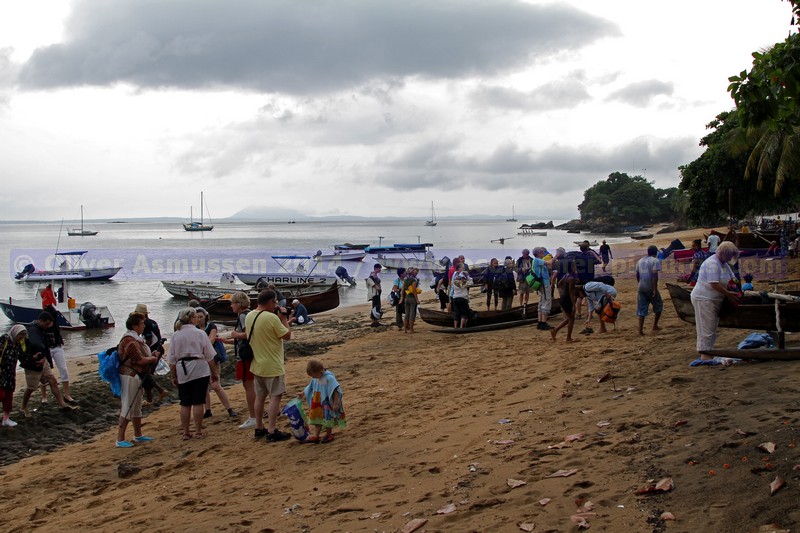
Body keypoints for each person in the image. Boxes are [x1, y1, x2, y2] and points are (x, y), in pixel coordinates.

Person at [246, 290, 292, 442]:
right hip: (272, 364)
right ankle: (272, 430)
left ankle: (259, 427)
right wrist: (284, 317)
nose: (276, 305)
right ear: (270, 302)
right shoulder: (271, 318)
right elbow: (287, 335)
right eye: (275, 302)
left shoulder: (249, 315)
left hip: (257, 363)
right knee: (275, 396)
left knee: (260, 396)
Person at [167, 308, 218, 440]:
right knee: (198, 401)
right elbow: (209, 355)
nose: (197, 319)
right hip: (199, 368)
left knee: (185, 402)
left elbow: (172, 359)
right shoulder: (200, 333)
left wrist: (173, 375)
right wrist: (214, 372)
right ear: (191, 319)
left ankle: (185, 432)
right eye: (196, 317)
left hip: (182, 368)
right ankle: (198, 431)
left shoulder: (176, 335)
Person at [690, 242, 741, 364]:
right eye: (730, 256)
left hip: (714, 300)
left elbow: (732, 278)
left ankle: (708, 351)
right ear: (724, 254)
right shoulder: (712, 263)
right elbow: (714, 284)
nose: (730, 259)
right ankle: (705, 354)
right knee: (706, 327)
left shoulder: (723, 263)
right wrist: (729, 294)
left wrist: (736, 288)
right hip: (704, 299)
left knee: (711, 327)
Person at [115, 312, 159, 448]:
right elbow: (138, 360)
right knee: (128, 406)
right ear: (134, 326)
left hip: (136, 376)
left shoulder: (135, 339)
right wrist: (152, 358)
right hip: (130, 375)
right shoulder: (130, 340)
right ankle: (120, 438)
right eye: (141, 323)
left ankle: (138, 434)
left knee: (136, 406)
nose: (144, 326)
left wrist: (151, 356)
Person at [21, 312, 73, 416]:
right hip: (32, 362)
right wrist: (42, 356)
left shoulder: (41, 329)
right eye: (47, 323)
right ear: (41, 321)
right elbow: (37, 344)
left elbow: (44, 346)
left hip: (42, 360)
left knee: (52, 381)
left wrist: (46, 359)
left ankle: (62, 403)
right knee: (31, 387)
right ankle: (24, 407)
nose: (48, 326)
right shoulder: (33, 329)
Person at [218, 291, 257, 429]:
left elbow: (247, 335)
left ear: (239, 304)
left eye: (232, 303)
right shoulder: (251, 314)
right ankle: (258, 413)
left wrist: (235, 334)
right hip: (251, 353)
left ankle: (253, 416)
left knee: (248, 386)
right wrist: (228, 340)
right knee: (254, 385)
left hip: (245, 356)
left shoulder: (242, 316)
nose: (231, 306)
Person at [194, 307, 237, 420]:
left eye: (201, 317)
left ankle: (229, 409)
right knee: (204, 386)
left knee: (216, 385)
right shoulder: (195, 328)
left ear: (205, 316)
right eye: (197, 317)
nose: (199, 319)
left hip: (213, 358)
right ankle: (207, 410)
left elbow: (211, 340)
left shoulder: (211, 326)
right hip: (201, 359)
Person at [300, 359, 346, 444]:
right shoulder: (315, 378)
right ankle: (316, 435)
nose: (313, 378)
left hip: (326, 403)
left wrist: (336, 403)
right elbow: (310, 387)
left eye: (313, 376)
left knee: (327, 418)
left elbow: (335, 390)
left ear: (320, 372)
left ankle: (329, 434)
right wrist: (303, 393)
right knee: (317, 418)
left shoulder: (329, 378)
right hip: (317, 402)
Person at [39, 305, 77, 405]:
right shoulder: (41, 324)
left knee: (63, 369)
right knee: (44, 372)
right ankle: (44, 396)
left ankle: (67, 395)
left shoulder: (55, 322)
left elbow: (58, 334)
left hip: (57, 347)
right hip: (46, 350)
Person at [134, 303, 168, 405]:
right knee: (148, 374)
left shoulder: (145, 324)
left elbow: (149, 340)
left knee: (146, 373)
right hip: (158, 349)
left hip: (153, 351)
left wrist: (144, 351)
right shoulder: (153, 322)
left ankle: (151, 398)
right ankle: (159, 392)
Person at [0, 325, 26, 427]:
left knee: (8, 397)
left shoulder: (19, 343)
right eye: (20, 335)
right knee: (1, 394)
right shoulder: (4, 339)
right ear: (15, 332)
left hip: (10, 374)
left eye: (23, 335)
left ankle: (6, 419)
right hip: (1, 373)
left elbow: (22, 357)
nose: (21, 337)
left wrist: (35, 359)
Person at [635, 245, 663, 336]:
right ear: (656, 253)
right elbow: (655, 276)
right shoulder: (655, 261)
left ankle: (640, 330)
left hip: (641, 287)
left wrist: (639, 283)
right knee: (658, 305)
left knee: (641, 309)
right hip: (650, 287)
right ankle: (655, 325)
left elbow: (637, 274)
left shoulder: (640, 260)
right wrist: (654, 288)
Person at [550, 259, 579, 343]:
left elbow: (559, 284)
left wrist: (563, 290)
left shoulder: (566, 275)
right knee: (571, 318)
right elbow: (571, 293)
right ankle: (568, 338)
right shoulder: (571, 278)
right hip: (567, 299)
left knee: (569, 318)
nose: (575, 267)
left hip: (563, 298)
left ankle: (555, 330)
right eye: (574, 266)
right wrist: (573, 304)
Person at [532, 247, 552, 330]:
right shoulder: (537, 260)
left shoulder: (536, 260)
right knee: (546, 300)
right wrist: (556, 256)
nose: (543, 253)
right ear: (538, 253)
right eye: (542, 252)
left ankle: (540, 322)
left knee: (541, 301)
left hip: (542, 283)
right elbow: (549, 263)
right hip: (544, 283)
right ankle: (543, 323)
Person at [451, 263, 473, 328]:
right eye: (463, 268)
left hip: (455, 298)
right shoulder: (465, 283)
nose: (464, 269)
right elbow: (471, 282)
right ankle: (461, 327)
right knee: (464, 313)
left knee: (456, 313)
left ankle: (455, 327)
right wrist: (467, 276)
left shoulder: (454, 281)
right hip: (463, 298)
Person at [402, 267, 421, 334]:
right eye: (415, 272)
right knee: (412, 314)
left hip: (406, 298)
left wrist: (402, 297)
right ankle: (411, 329)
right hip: (412, 298)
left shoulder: (405, 280)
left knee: (407, 314)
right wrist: (417, 300)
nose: (416, 274)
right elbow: (414, 291)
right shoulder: (413, 281)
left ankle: (405, 330)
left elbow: (403, 289)